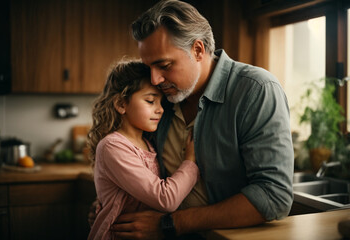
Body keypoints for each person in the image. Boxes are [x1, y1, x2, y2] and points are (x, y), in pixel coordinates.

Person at [111, 0, 294, 239]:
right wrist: (114, 205)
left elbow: (274, 196)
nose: (154, 79)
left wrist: (170, 224)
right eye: (149, 68)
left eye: (164, 65)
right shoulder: (161, 98)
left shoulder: (256, 90)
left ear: (198, 50)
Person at [87, 59, 200, 240]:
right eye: (150, 101)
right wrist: (190, 161)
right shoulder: (113, 146)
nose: (160, 110)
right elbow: (166, 199)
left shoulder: (149, 143)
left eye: (161, 102)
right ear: (121, 104)